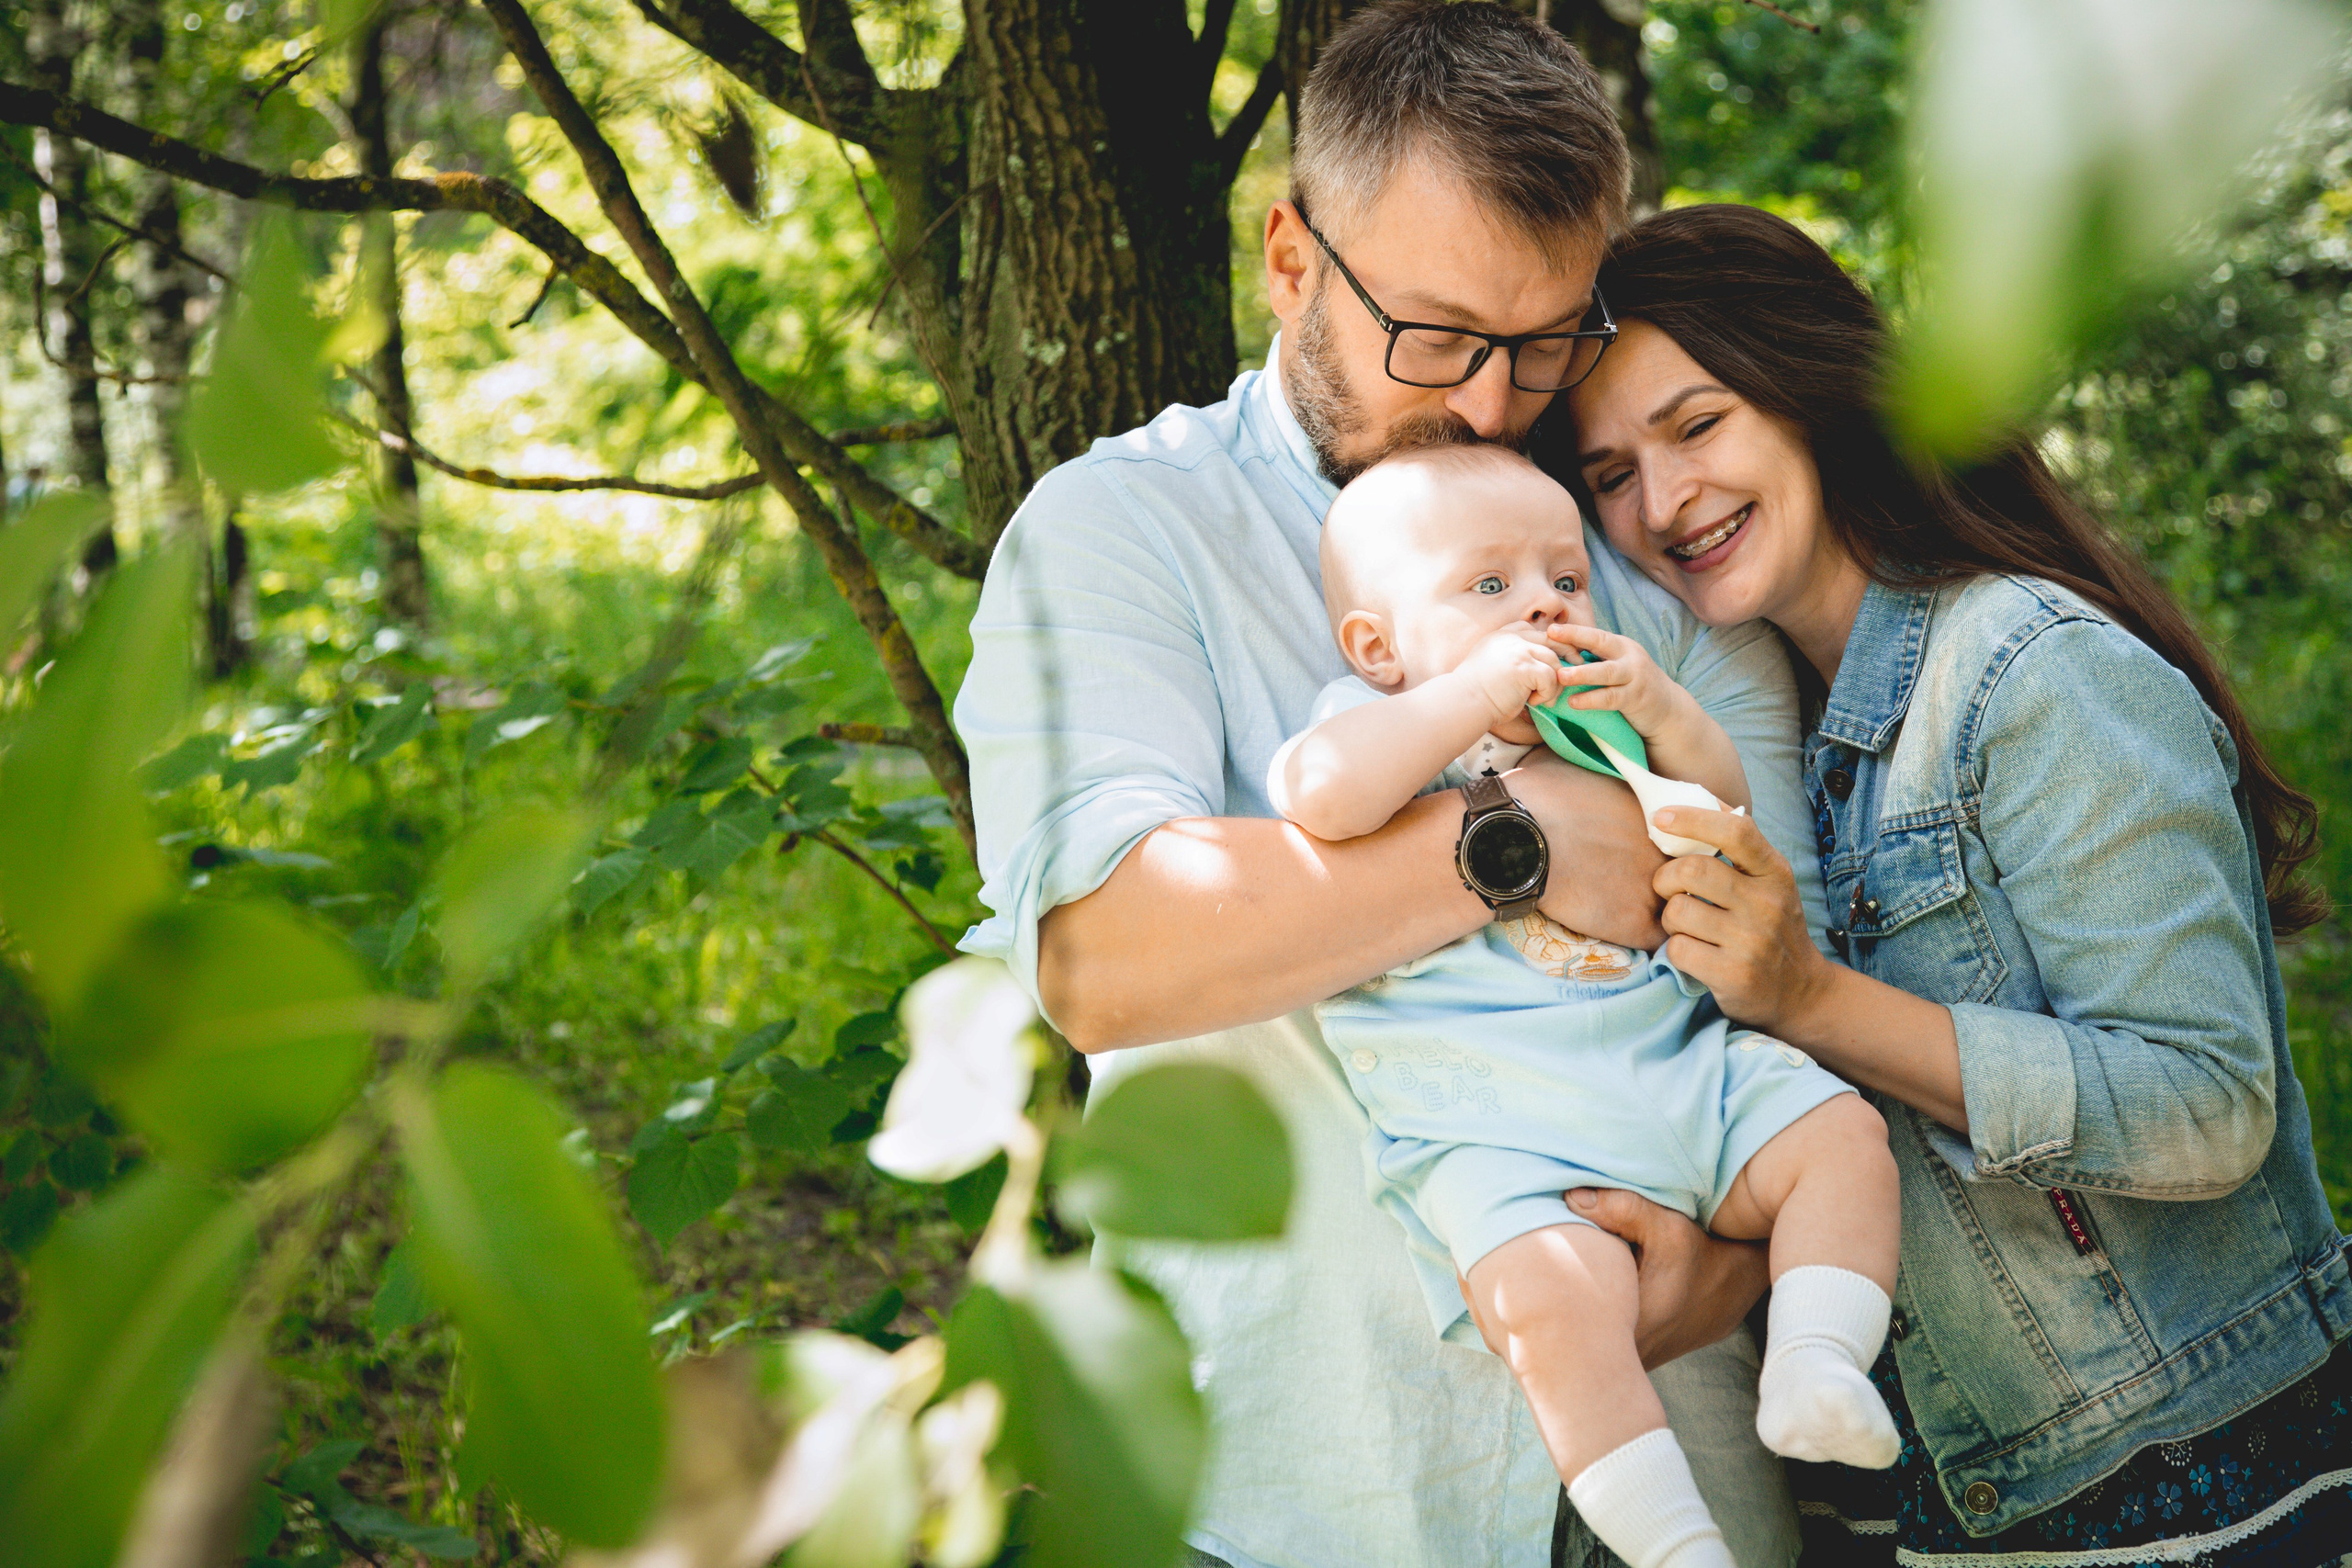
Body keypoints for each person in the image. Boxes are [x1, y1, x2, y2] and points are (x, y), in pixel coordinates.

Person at [957, 6, 1812, 1563]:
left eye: (1547, 341)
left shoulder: (1636, 544)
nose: (1492, 403)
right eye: (1435, 338)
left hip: (1677, 1460)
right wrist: (1517, 841)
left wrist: (1741, 1256)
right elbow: (1101, 953)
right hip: (1314, 1475)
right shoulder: (1124, 532)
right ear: (1291, 263)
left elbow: (1793, 953)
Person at [1548, 200, 2352, 1562]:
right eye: (1610, 471)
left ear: (1811, 391)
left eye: (1698, 425)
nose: (1663, 501)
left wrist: (1806, 992)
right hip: (1918, 1496)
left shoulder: (2026, 669)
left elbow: (2209, 1106)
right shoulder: (1743, 744)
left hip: (2187, 1482)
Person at [1272, 443, 1900, 1568]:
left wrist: (1661, 708)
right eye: (1489, 585)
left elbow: (1719, 805)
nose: (1543, 607)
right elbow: (1320, 799)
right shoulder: (1379, 727)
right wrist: (1466, 694)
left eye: (1565, 579)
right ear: (1377, 646)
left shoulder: (1599, 731)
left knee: (1841, 1136)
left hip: (1675, 1069)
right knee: (1556, 1312)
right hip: (1503, 1129)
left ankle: (1816, 1362)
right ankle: (1670, 1543)